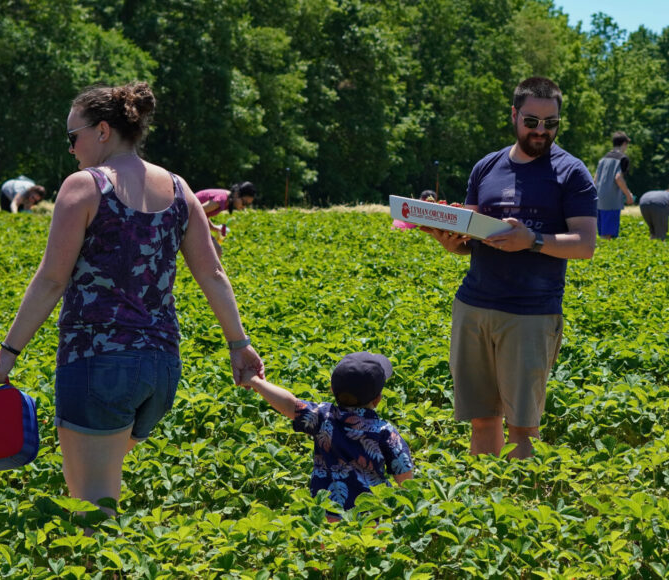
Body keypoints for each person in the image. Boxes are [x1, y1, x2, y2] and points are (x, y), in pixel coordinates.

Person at [0, 82, 264, 516]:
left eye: (72, 137)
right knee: (103, 480)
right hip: (161, 367)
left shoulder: (84, 187)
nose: (71, 150)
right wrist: (239, 344)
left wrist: (7, 354)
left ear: (102, 131)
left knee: (93, 510)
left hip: (99, 362)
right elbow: (212, 272)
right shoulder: (178, 188)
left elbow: (52, 280)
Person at [422, 76, 596, 459]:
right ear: (514, 115)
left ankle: (516, 512)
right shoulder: (487, 167)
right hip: (475, 304)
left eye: (550, 124)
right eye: (532, 122)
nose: (541, 131)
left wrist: (531, 240)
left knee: (523, 427)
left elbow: (585, 245)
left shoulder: (572, 173)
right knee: (482, 418)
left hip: (530, 312)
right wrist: (448, 239)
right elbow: (469, 236)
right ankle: (483, 507)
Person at [246, 351, 414, 518]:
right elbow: (403, 471)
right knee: (375, 542)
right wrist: (409, 505)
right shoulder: (384, 431)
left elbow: (290, 404)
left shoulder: (322, 417)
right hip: (372, 513)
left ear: (332, 389)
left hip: (328, 510)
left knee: (327, 541)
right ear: (377, 399)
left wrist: (255, 381)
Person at [593, 132, 635, 239]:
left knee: (602, 233)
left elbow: (595, 179)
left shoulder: (603, 159)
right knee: (608, 235)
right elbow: (618, 178)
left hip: (598, 199)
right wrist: (628, 194)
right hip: (611, 201)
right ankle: (606, 255)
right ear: (624, 143)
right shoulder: (623, 158)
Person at [195, 182, 256, 255]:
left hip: (192, 219)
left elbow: (203, 214)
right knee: (216, 250)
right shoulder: (222, 199)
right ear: (236, 194)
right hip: (185, 217)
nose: (244, 207)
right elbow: (196, 210)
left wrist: (214, 227)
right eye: (244, 202)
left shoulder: (227, 201)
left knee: (214, 251)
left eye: (247, 205)